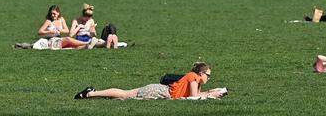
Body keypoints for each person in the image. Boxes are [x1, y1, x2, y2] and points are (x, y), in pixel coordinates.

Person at [74, 62, 225, 100]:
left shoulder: (195, 79)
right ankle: (92, 94)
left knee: (125, 95)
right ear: (201, 72)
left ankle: (91, 94)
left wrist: (212, 92)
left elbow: (195, 95)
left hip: (160, 90)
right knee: (125, 95)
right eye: (208, 75)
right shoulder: (194, 77)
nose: (209, 78)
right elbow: (193, 98)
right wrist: (211, 95)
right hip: (159, 91)